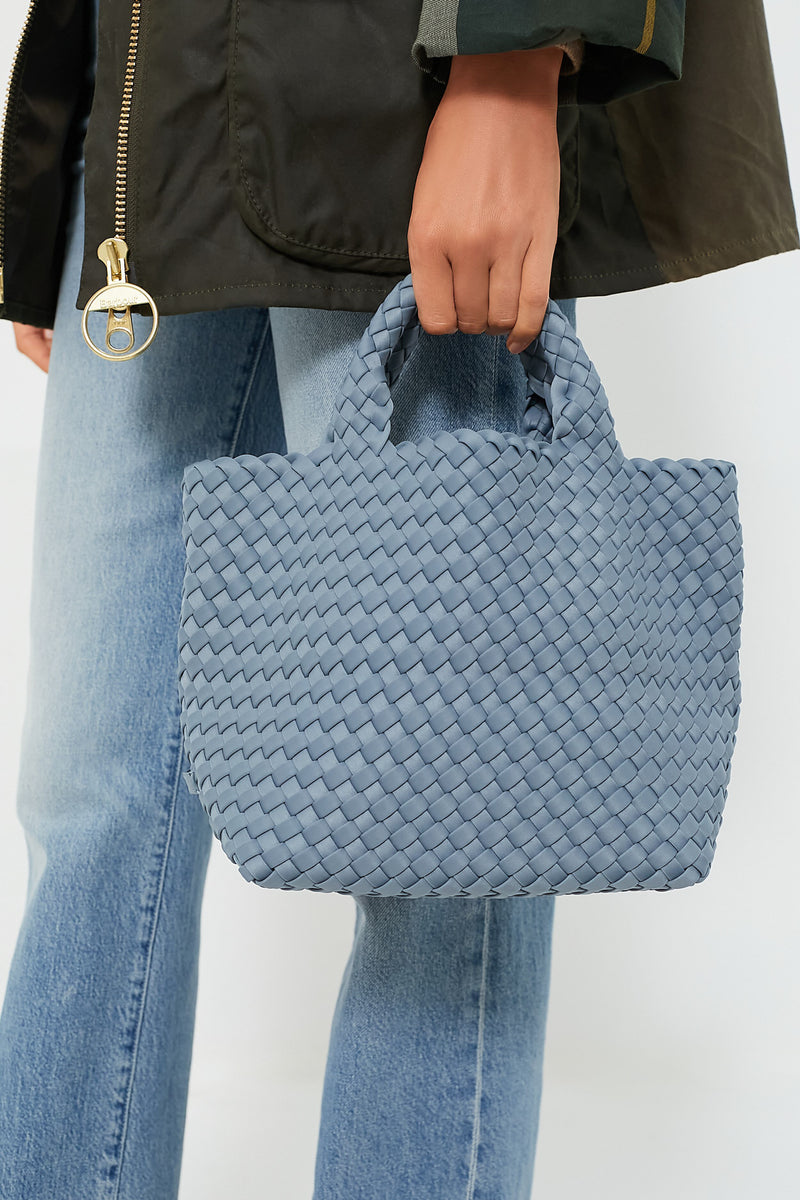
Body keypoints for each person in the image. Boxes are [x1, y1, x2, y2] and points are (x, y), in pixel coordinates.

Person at [0, 2, 796, 1198]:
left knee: (449, 835)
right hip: (142, 126)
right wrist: (53, 162)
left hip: (390, 90)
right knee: (90, 803)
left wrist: (514, 58)